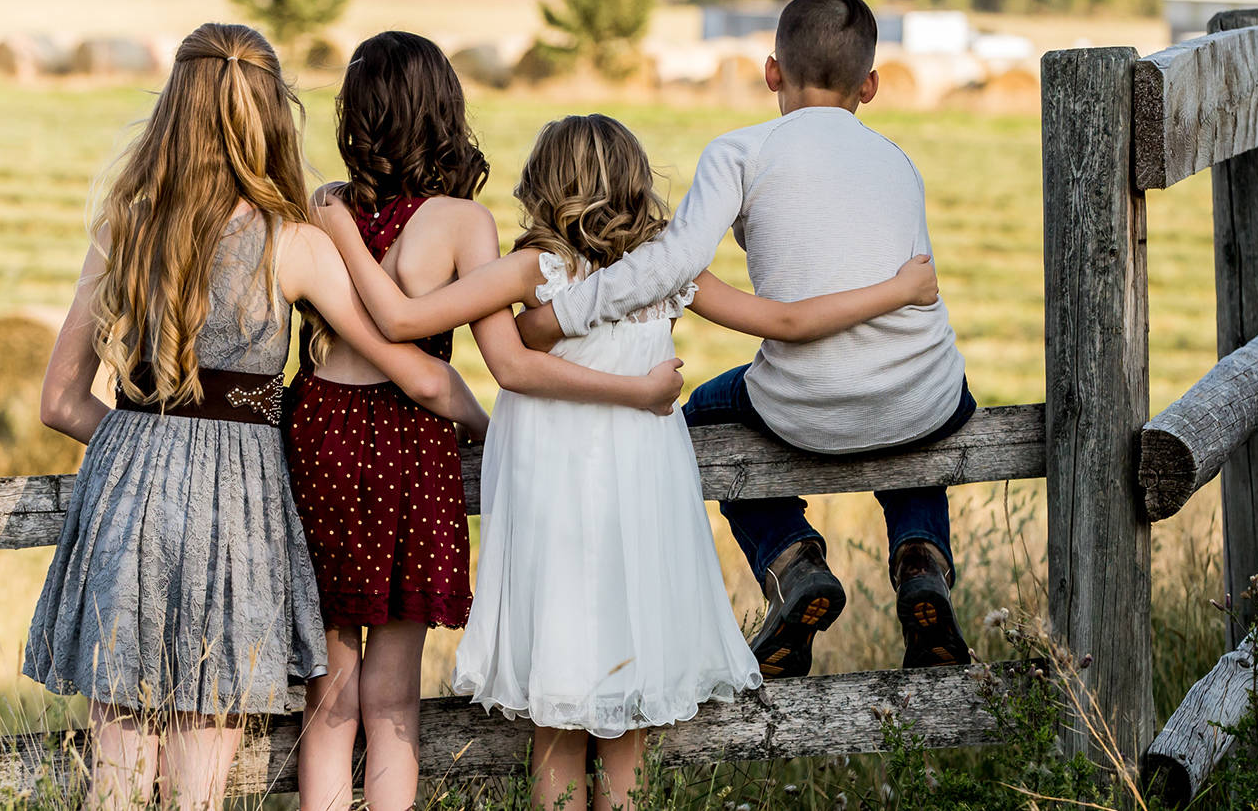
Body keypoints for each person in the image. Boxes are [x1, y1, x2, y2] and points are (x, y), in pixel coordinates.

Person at [319, 113, 938, 810]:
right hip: (640, 506)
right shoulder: (670, 274)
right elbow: (787, 321)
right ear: (638, 186)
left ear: (545, 187)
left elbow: (406, 318)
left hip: (557, 505)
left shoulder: (534, 269)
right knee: (626, 715)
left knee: (557, 722)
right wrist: (899, 291)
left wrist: (340, 231)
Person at [21, 22, 488, 810]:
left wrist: (148, 441)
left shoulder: (123, 226)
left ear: (173, 109)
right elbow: (389, 355)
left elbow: (61, 401)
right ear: (275, 114)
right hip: (233, 513)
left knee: (118, 772)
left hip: (123, 499)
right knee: (202, 780)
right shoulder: (294, 244)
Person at [518, 0, 978, 677]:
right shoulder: (898, 164)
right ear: (872, 85)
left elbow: (673, 264)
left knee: (704, 411)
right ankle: (921, 557)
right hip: (922, 400)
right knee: (927, 394)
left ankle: (791, 560)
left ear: (771, 72)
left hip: (802, 409)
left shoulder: (740, 152)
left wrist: (561, 315)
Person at [286, 31, 683, 811]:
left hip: (320, 431)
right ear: (445, 113)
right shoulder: (463, 221)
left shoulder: (321, 207)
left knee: (327, 692)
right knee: (393, 696)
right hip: (405, 439)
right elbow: (470, 359)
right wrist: (481, 424)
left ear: (354, 116)